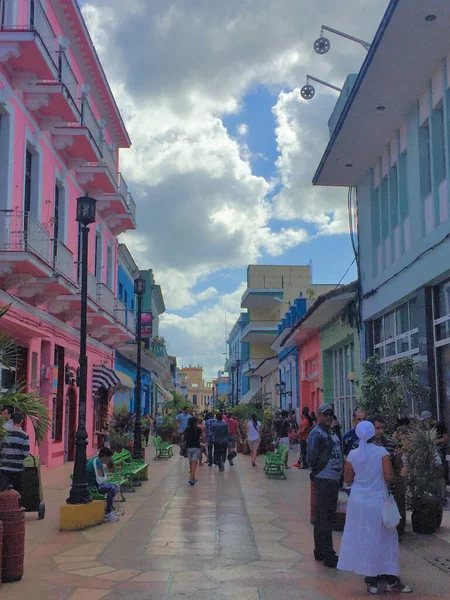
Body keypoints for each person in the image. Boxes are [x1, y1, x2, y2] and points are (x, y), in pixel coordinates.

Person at [338, 421, 412, 594]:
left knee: (364, 538)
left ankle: (371, 580)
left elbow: (348, 479)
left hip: (358, 502)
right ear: (373, 433)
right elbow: (388, 476)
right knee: (385, 539)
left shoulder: (353, 454)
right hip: (377, 502)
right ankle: (390, 579)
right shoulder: (381, 453)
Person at [306, 403, 344, 568]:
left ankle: (320, 550)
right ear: (319, 415)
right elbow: (311, 458)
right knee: (326, 517)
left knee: (323, 517)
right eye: (325, 414)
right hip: (325, 478)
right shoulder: (317, 433)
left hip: (333, 478)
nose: (328, 417)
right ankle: (328, 554)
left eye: (331, 414)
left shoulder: (332, 431)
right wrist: (319, 469)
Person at [86, 447, 120, 522]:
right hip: (93, 487)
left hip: (95, 484)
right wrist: (106, 478)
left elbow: (101, 477)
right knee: (112, 488)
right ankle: (108, 513)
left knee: (114, 486)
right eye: (108, 458)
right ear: (104, 456)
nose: (108, 460)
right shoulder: (97, 462)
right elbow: (100, 479)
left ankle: (110, 510)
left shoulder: (97, 460)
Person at [0, 411, 30, 496]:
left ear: (12, 420)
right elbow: (26, 453)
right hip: (18, 469)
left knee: (3, 492)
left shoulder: (4, 434)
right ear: (21, 421)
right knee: (17, 493)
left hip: (4, 468)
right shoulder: (24, 436)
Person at [420, 410, 449, 487]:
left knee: (441, 472)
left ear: (428, 419)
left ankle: (443, 490)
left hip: (440, 452)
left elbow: (446, 438)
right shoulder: (427, 428)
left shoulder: (439, 425)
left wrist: (435, 441)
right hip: (430, 453)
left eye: (424, 421)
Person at [185, 417, 203, 485]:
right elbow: (203, 437)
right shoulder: (198, 429)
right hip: (196, 447)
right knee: (194, 462)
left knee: (191, 462)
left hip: (188, 447)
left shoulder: (187, 429)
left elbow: (183, 438)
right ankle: (191, 478)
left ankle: (193, 478)